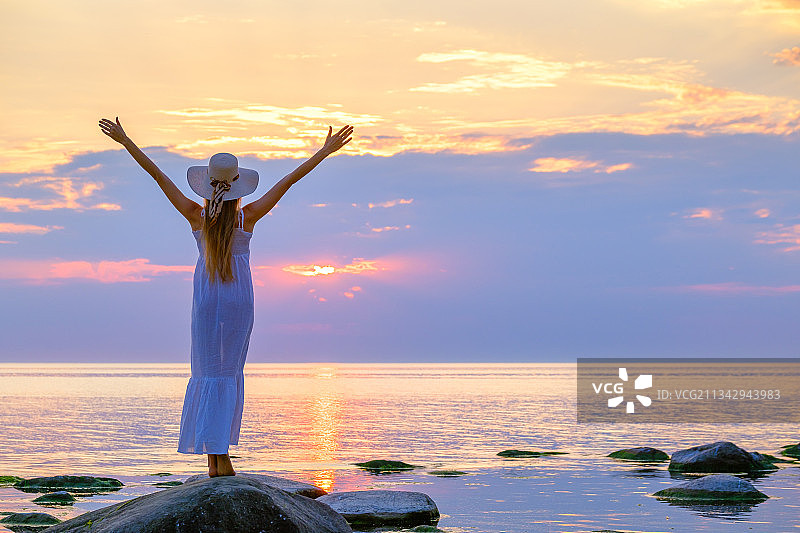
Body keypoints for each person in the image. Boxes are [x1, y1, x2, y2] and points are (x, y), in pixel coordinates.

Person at [98, 117, 354, 476]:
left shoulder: (195, 217)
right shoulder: (247, 217)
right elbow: (289, 181)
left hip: (206, 299)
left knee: (206, 372)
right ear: (237, 188)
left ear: (207, 186)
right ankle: (221, 459)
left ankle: (214, 459)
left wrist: (126, 142)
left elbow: (159, 178)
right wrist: (323, 152)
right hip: (238, 300)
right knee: (228, 373)